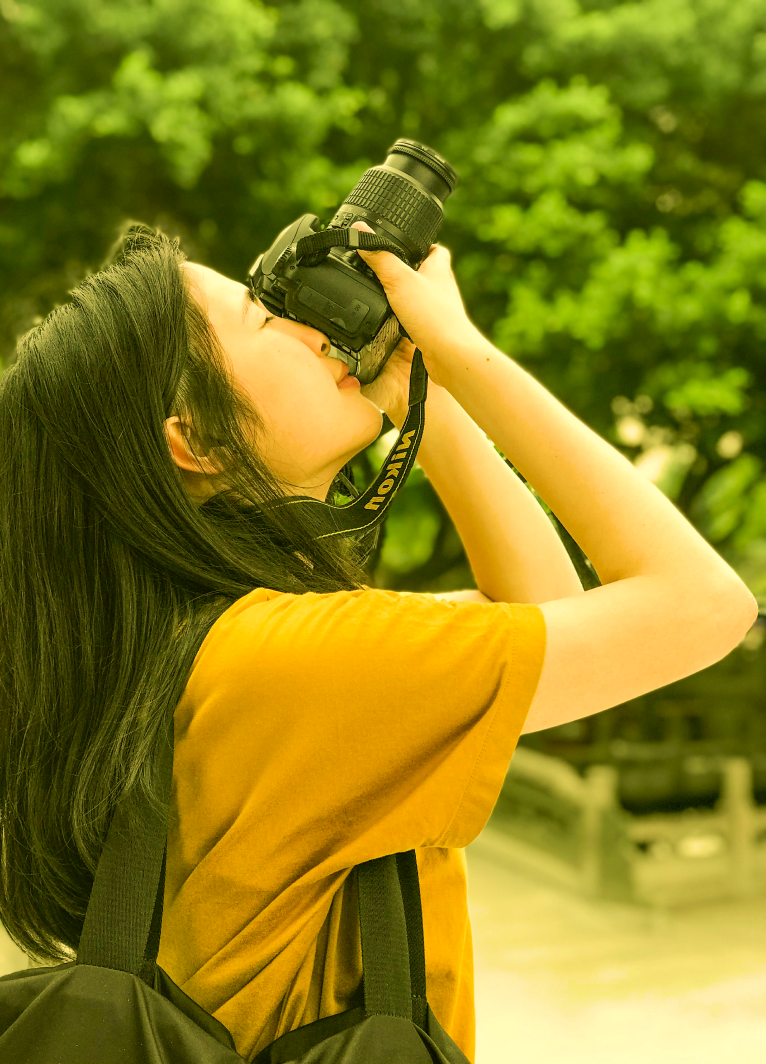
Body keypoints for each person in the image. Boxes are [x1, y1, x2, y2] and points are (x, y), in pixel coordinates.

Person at [0, 218, 755, 1063]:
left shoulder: (208, 650)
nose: (307, 325)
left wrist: (419, 390)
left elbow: (545, 612)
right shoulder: (291, 660)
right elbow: (703, 607)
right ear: (196, 439)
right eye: (262, 315)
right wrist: (460, 351)